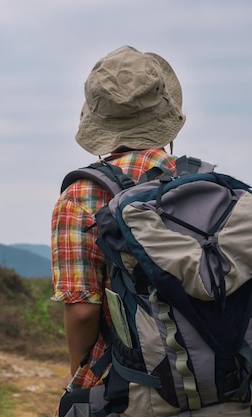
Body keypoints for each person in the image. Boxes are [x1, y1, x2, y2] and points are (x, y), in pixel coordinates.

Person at [50, 45, 186, 413]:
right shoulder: (200, 186)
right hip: (227, 384)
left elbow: (82, 310)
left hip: (132, 390)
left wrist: (82, 384)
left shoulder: (81, 196)